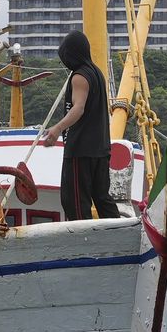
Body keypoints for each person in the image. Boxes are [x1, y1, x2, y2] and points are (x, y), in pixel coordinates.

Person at [42, 31, 120, 221]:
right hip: (100, 148)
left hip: (81, 149)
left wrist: (57, 128)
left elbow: (78, 108)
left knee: (74, 202)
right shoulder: (97, 73)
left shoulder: (79, 77)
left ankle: (81, 244)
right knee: (102, 198)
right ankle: (119, 236)